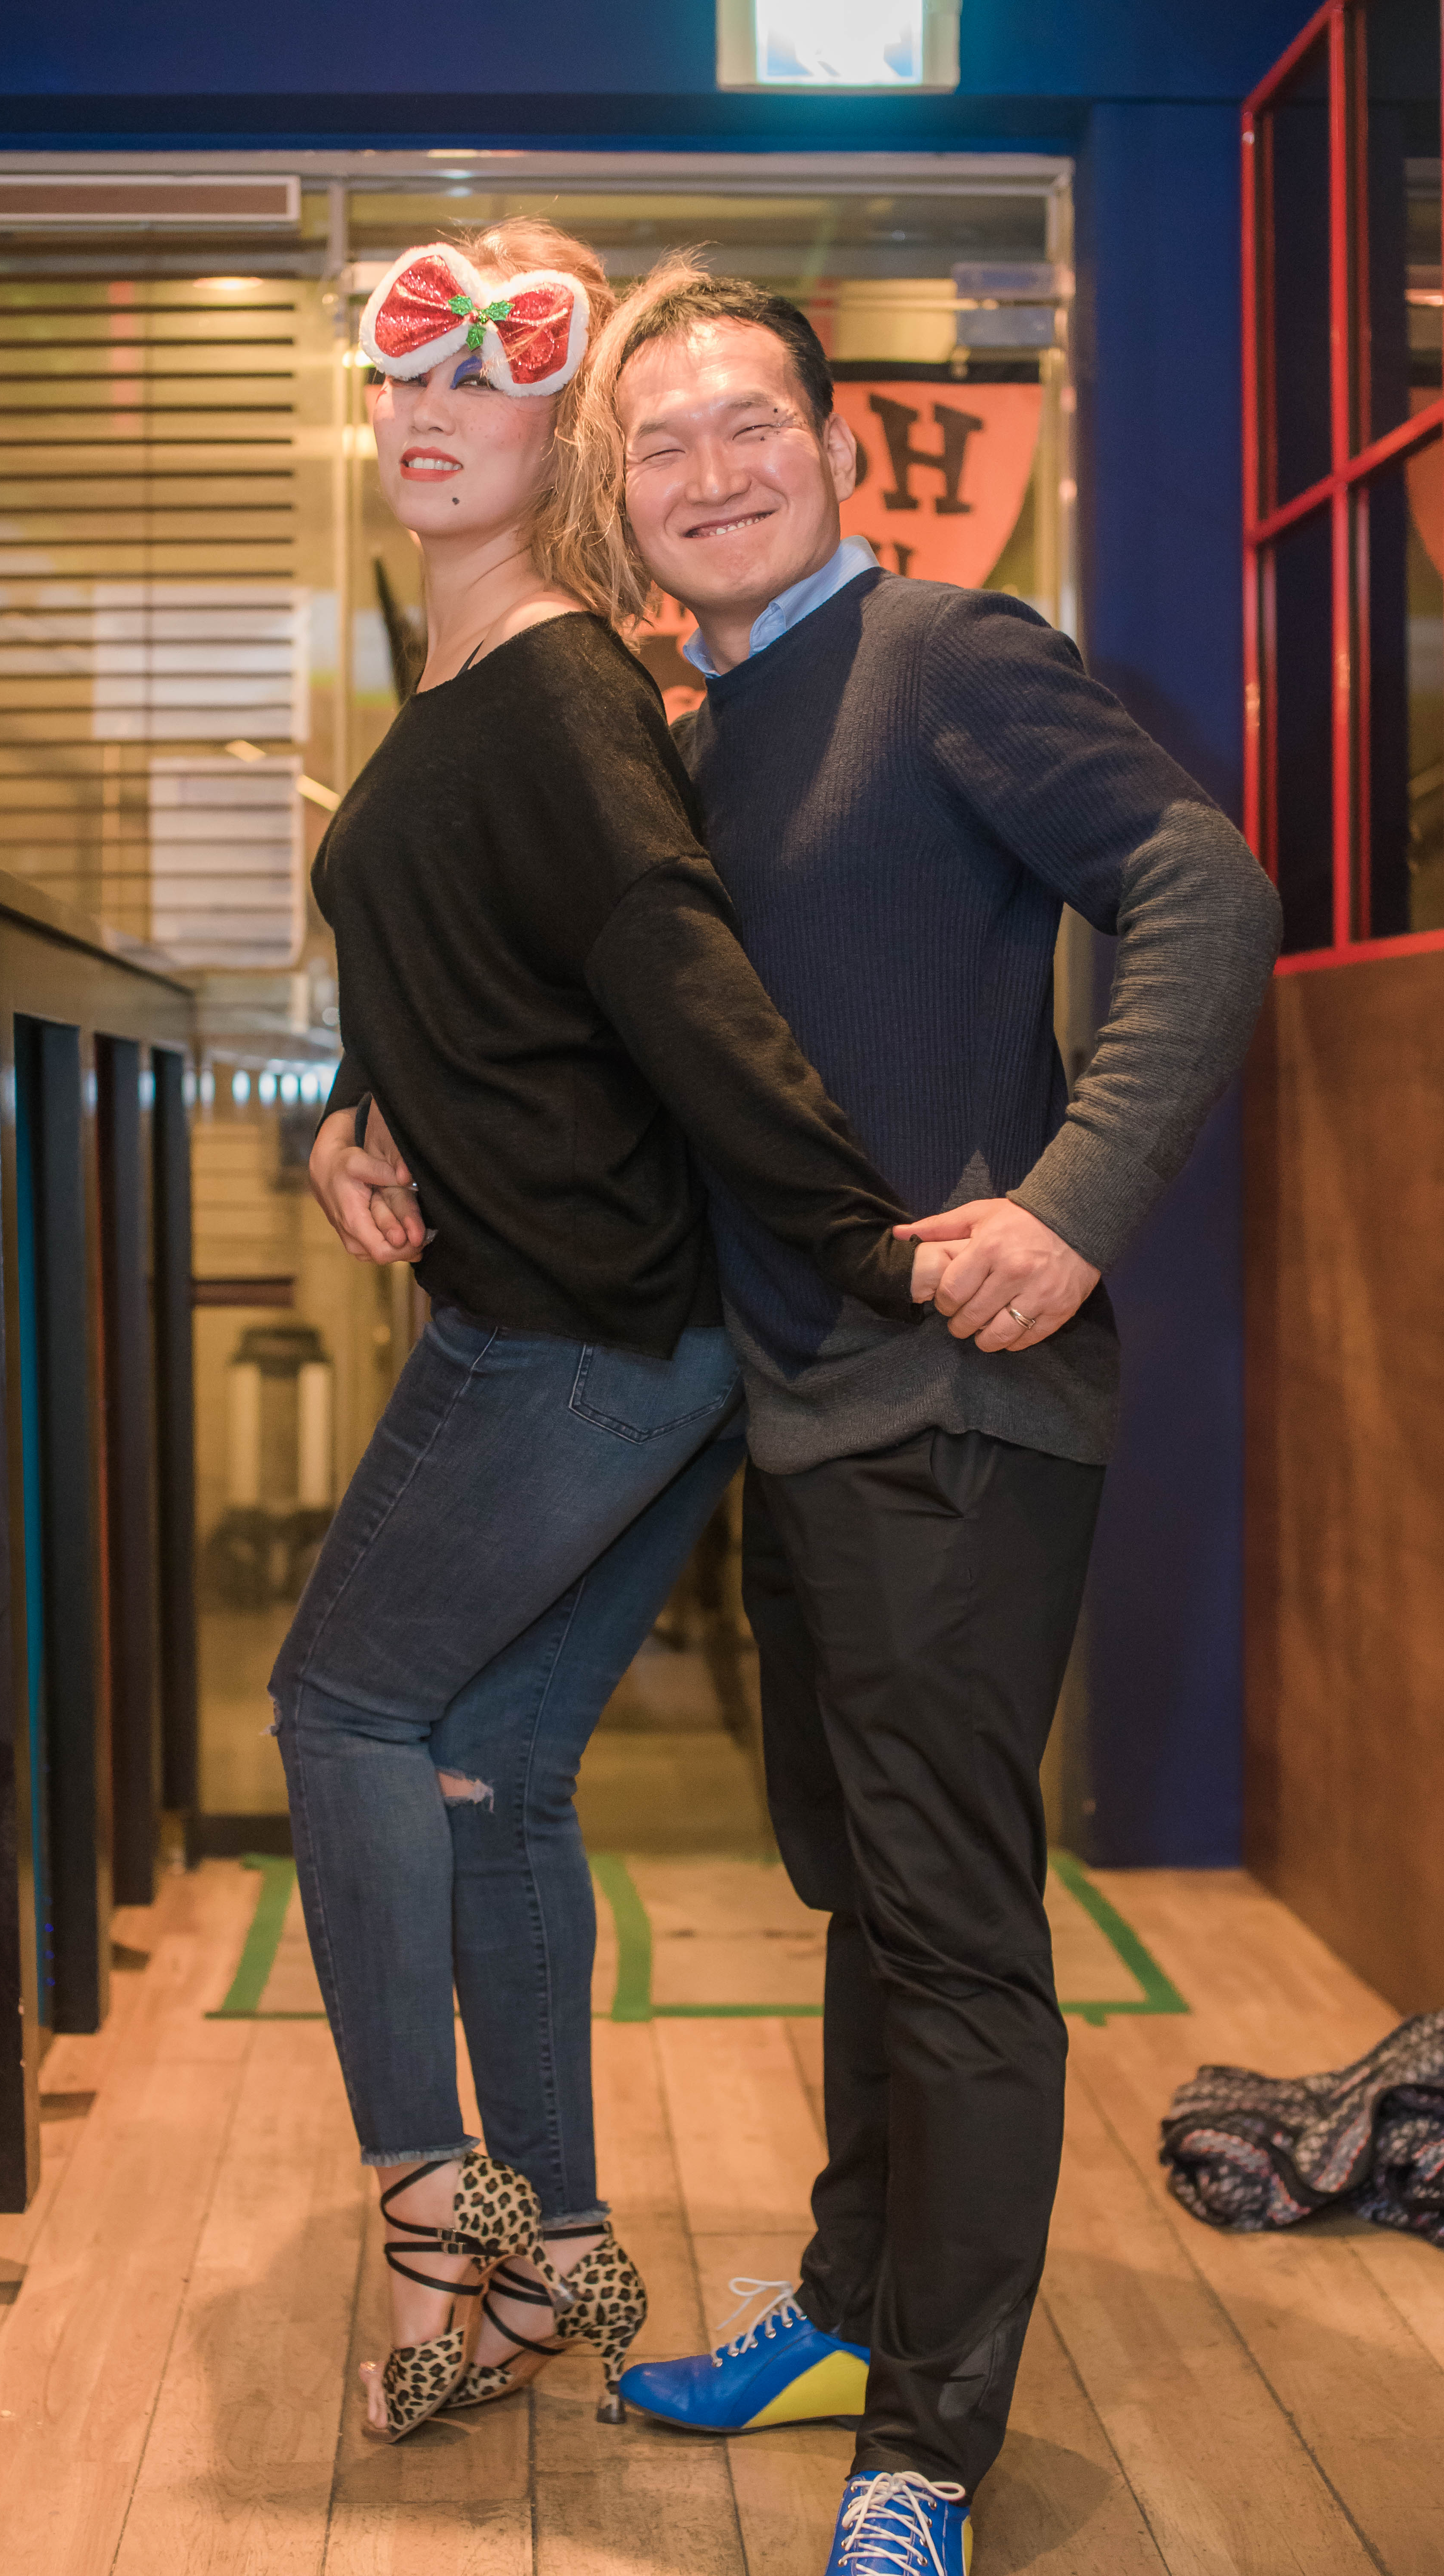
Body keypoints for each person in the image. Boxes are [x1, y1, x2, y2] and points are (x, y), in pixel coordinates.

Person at [558, 263, 1284, 2576]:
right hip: (796, 1405)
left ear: (842, 447)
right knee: (865, 1894)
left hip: (960, 1400)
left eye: (751, 427)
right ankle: (857, 2305)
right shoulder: (700, 738)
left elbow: (1204, 888)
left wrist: (1074, 1207)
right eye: (662, 445)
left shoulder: (945, 655)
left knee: (953, 1935)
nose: (710, 474)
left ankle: (927, 2452)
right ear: (622, 498)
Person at [273, 220, 939, 2445]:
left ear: (565, 433)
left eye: (500, 367)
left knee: (342, 1700)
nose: (434, 404)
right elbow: (495, 971)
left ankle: (429, 2219)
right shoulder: (474, 674)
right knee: (491, 1761)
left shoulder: (558, 685)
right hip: (632, 1335)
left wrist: (882, 1251)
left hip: (575, 1326)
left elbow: (672, 967)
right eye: (409, 363)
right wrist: (355, 1109)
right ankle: (556, 2242)